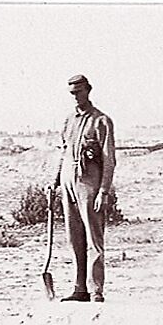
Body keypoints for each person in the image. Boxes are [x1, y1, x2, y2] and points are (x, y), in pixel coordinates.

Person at [51, 73, 116, 302]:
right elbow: (64, 150)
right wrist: (55, 180)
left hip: (89, 182)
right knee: (74, 237)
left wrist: (104, 191)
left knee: (94, 239)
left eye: (79, 92)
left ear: (88, 90)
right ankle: (80, 289)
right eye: (72, 93)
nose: (76, 97)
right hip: (69, 181)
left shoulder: (101, 121)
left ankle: (96, 290)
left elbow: (109, 159)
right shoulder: (69, 120)